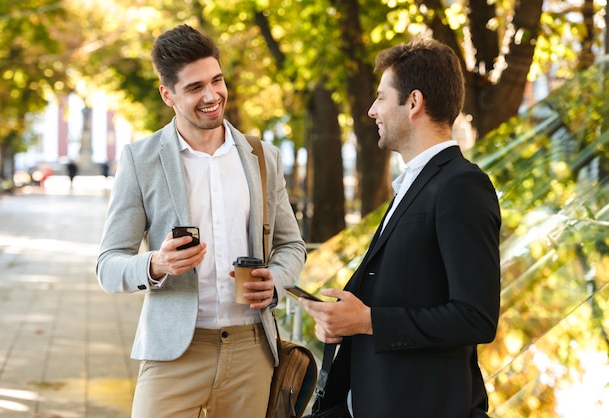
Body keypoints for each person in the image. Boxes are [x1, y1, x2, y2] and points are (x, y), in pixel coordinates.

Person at [96, 24, 306, 418]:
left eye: (217, 80)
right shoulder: (141, 160)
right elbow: (107, 265)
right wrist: (156, 264)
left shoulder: (263, 158)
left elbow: (292, 246)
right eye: (195, 88)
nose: (212, 96)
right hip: (173, 353)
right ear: (168, 95)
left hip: (251, 351)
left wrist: (275, 280)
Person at [299, 39, 501, 418]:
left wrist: (367, 320)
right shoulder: (415, 183)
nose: (372, 110)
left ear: (413, 103)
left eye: (380, 98)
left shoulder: (461, 185)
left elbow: (476, 316)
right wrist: (342, 320)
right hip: (367, 400)